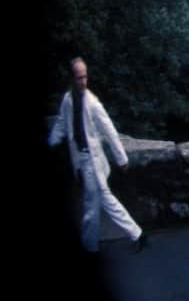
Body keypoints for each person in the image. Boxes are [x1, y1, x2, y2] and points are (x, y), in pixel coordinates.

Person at [48, 57, 147, 253]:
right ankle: (137, 234)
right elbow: (61, 123)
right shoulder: (68, 100)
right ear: (71, 79)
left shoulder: (92, 103)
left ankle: (90, 246)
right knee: (105, 200)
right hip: (82, 160)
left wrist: (121, 158)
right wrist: (51, 141)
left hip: (93, 162)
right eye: (78, 78)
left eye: (85, 77)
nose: (83, 81)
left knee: (91, 206)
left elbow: (109, 130)